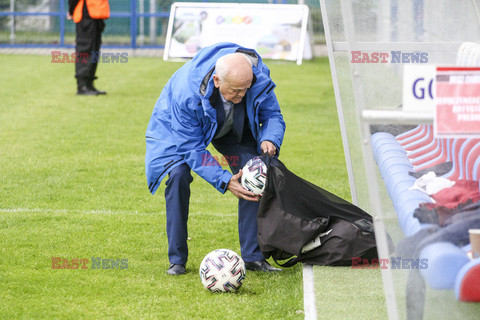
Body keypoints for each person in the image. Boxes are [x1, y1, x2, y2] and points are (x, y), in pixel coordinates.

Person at [145, 42, 286, 275]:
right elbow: (192, 147)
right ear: (217, 81)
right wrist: (224, 179)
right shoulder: (186, 93)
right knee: (178, 175)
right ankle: (177, 260)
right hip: (177, 127)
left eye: (246, 89)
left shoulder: (254, 76)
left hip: (230, 126)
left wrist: (270, 138)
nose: (242, 96)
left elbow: (272, 113)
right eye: (236, 91)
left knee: (254, 171)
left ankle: (253, 257)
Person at [68, 0, 109, 95]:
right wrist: (71, 11)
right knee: (85, 50)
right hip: (85, 15)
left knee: (94, 50)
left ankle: (89, 84)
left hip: (96, 14)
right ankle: (82, 86)